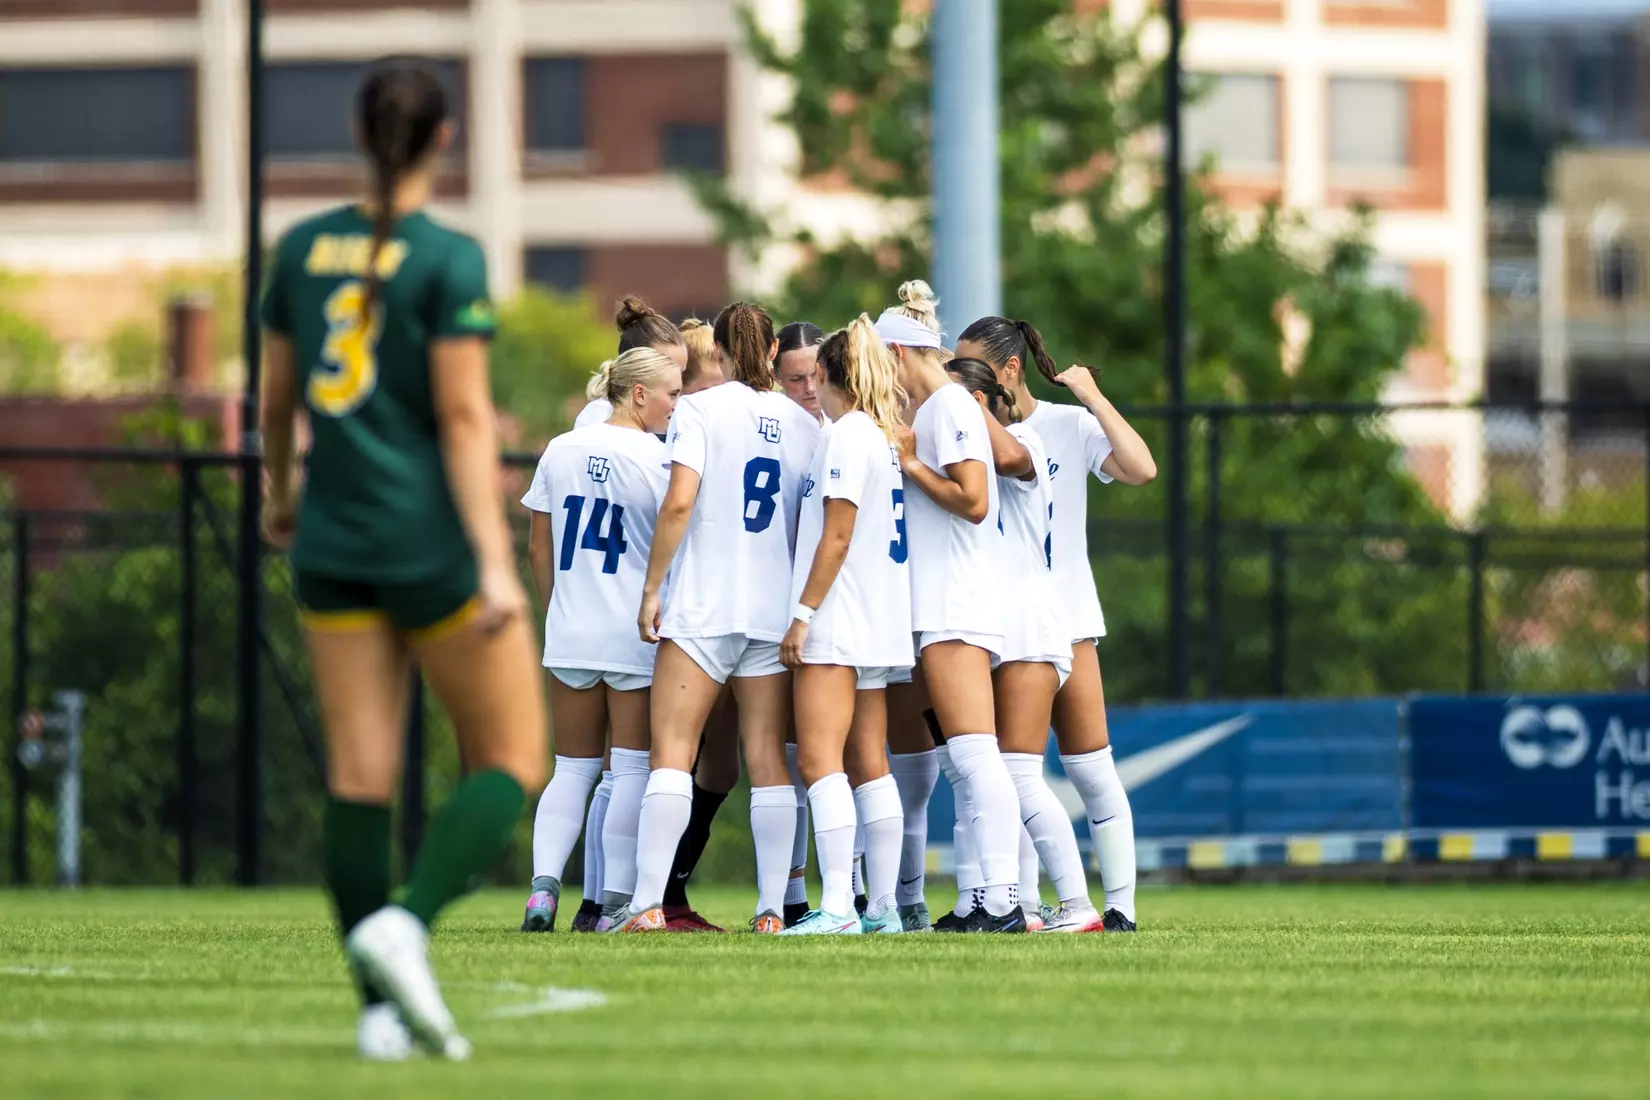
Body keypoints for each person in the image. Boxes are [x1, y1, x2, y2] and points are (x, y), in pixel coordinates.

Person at [259, 57, 544, 1060]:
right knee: (514, 759)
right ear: (443, 138)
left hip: (331, 539)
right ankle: (409, 920)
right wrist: (495, 561)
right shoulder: (447, 258)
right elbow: (466, 418)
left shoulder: (298, 248)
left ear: (359, 132)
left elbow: (277, 401)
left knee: (359, 776)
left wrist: (282, 497)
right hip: (423, 540)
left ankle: (377, 1009)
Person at [612, 301, 822, 934]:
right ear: (769, 353)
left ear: (722, 353)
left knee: (672, 754)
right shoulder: (804, 421)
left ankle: (647, 903)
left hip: (703, 605)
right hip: (771, 610)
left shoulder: (699, 409)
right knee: (766, 757)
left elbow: (679, 503)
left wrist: (652, 589)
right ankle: (769, 910)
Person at [954, 316, 1157, 932]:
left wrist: (1091, 396)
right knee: (1009, 769)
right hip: (1000, 623)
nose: (962, 382)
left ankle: (1116, 907)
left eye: (974, 369)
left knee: (1087, 766)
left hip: (1063, 619)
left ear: (1008, 371)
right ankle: (1026, 904)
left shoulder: (1061, 427)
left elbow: (1141, 468)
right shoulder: (966, 428)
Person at [519, 347, 682, 933]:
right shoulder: (658, 458)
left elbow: (539, 547)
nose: (676, 402)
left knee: (571, 769)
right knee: (632, 768)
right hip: (634, 633)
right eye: (670, 391)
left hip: (572, 629)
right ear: (638, 394)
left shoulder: (560, 449)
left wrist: (556, 608)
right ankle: (614, 902)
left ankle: (542, 893)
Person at [882, 299, 1032, 934]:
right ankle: (982, 897)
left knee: (974, 755)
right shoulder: (936, 405)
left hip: (956, 603)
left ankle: (1000, 900)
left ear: (896, 355)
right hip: (943, 601)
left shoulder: (945, 404)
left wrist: (911, 464)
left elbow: (973, 500)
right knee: (959, 759)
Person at [943, 358, 1103, 933]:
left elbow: (1008, 457)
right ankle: (1021, 906)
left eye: (959, 404)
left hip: (1033, 627)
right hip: (1001, 626)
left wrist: (953, 400)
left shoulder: (1024, 441)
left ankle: (1080, 905)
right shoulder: (972, 458)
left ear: (981, 405)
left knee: (1017, 773)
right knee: (989, 773)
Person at [777, 316, 913, 935]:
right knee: (867, 759)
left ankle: (837, 906)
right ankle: (881, 907)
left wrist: (802, 616)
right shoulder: (879, 435)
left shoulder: (845, 434)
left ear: (827, 374)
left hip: (840, 616)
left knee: (818, 760)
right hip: (879, 616)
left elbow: (836, 535)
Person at [574, 297, 689, 429]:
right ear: (634, 363)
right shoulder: (599, 417)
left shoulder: (677, 418)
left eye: (682, 375)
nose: (676, 382)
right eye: (663, 366)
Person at [775, 321, 827, 424]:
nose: (810, 388)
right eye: (796, 379)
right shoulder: (769, 432)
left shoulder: (849, 426)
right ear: (776, 377)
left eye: (817, 375)